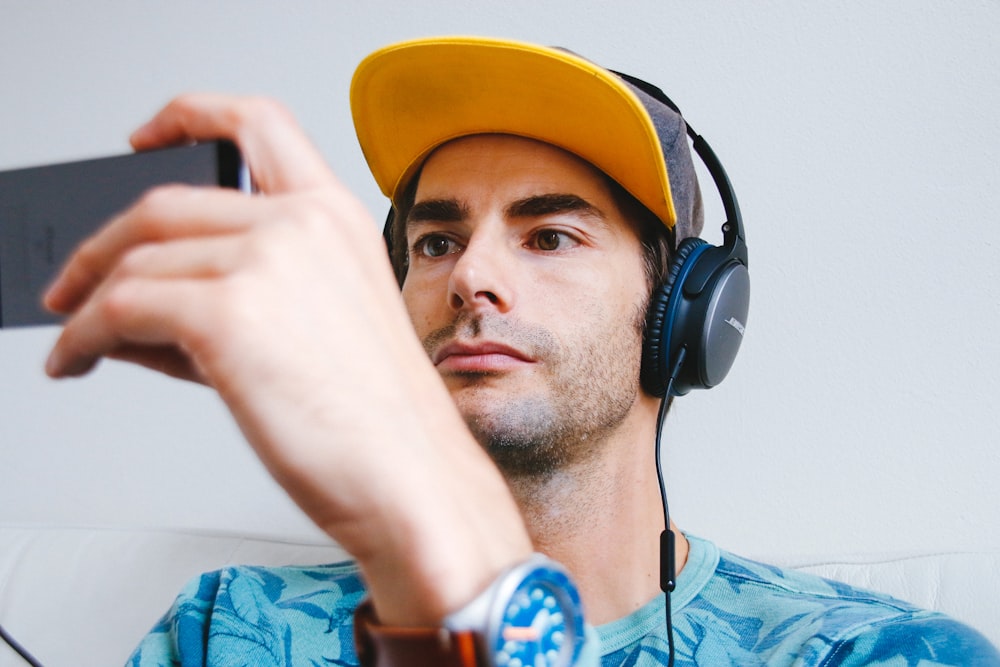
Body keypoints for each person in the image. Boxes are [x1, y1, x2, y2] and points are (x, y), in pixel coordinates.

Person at [42, 37, 998, 666]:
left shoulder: (877, 652)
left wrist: (459, 585)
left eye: (549, 236)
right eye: (435, 242)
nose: (471, 278)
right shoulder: (230, 630)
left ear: (683, 315)